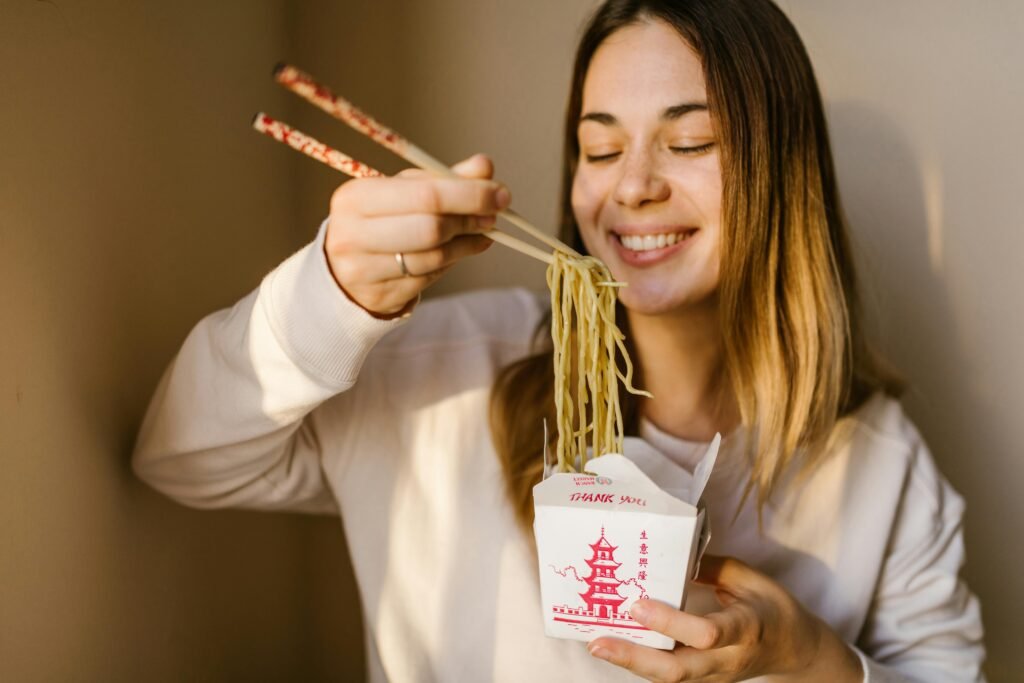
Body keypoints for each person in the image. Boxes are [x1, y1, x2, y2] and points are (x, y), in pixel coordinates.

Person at [132, 0, 986, 680]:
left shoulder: (881, 468)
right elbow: (179, 456)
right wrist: (335, 289)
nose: (633, 186)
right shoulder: (441, 373)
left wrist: (808, 657)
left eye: (689, 141)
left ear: (781, 169)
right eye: (599, 146)